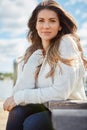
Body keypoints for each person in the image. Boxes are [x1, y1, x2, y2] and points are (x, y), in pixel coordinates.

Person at [3, 0, 87, 130]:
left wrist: (20, 97)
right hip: (48, 108)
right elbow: (18, 93)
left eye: (52, 21)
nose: (46, 25)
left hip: (71, 110)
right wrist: (32, 63)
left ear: (60, 25)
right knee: (17, 112)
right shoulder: (34, 53)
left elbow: (60, 93)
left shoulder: (66, 43)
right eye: (41, 20)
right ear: (35, 25)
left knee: (33, 123)